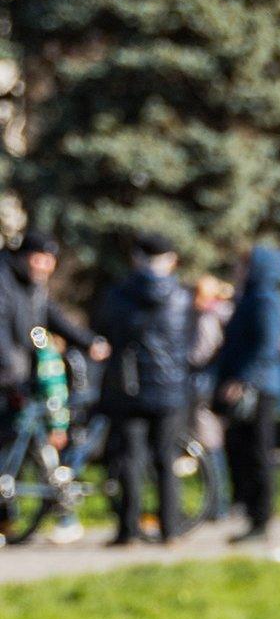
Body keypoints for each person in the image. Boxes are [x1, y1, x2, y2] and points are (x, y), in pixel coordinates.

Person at [0, 232, 108, 545]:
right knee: (14, 448)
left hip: (24, 377)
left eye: (50, 261)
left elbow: (54, 318)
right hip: (9, 379)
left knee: (32, 447)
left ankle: (22, 517)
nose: (45, 267)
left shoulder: (34, 286)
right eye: (39, 259)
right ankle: (18, 516)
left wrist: (90, 343)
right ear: (23, 256)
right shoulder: (4, 282)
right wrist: (10, 376)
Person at [94, 232, 193, 547]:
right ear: (171, 260)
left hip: (130, 387)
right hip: (171, 388)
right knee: (166, 460)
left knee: (130, 460)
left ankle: (128, 530)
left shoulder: (120, 295)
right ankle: (171, 530)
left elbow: (106, 330)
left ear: (136, 259)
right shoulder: (182, 297)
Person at [213, 245, 280, 544]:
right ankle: (251, 513)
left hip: (259, 387)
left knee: (258, 452)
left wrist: (243, 379)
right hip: (250, 384)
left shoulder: (265, 300)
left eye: (243, 266)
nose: (237, 272)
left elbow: (265, 345)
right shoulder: (250, 299)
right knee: (243, 449)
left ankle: (261, 519)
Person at [186, 275, 233, 522]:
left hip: (206, 390)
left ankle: (218, 506)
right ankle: (220, 504)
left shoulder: (209, 318)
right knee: (214, 446)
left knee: (211, 447)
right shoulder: (228, 315)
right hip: (218, 388)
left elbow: (199, 353)